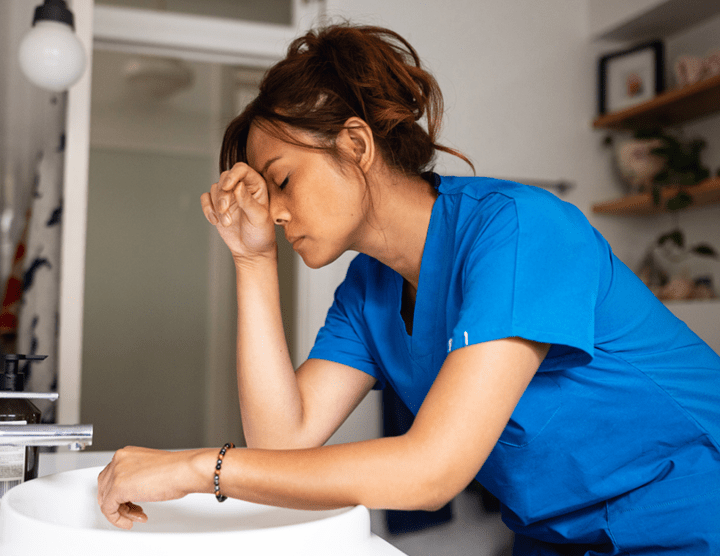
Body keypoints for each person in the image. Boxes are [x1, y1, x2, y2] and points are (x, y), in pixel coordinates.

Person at [97, 23, 720, 555]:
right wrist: (253, 259)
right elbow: (280, 442)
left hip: (691, 519)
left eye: (282, 180)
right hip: (560, 539)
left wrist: (192, 468)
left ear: (356, 144)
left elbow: (431, 471)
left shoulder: (520, 229)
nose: (275, 212)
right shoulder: (369, 289)